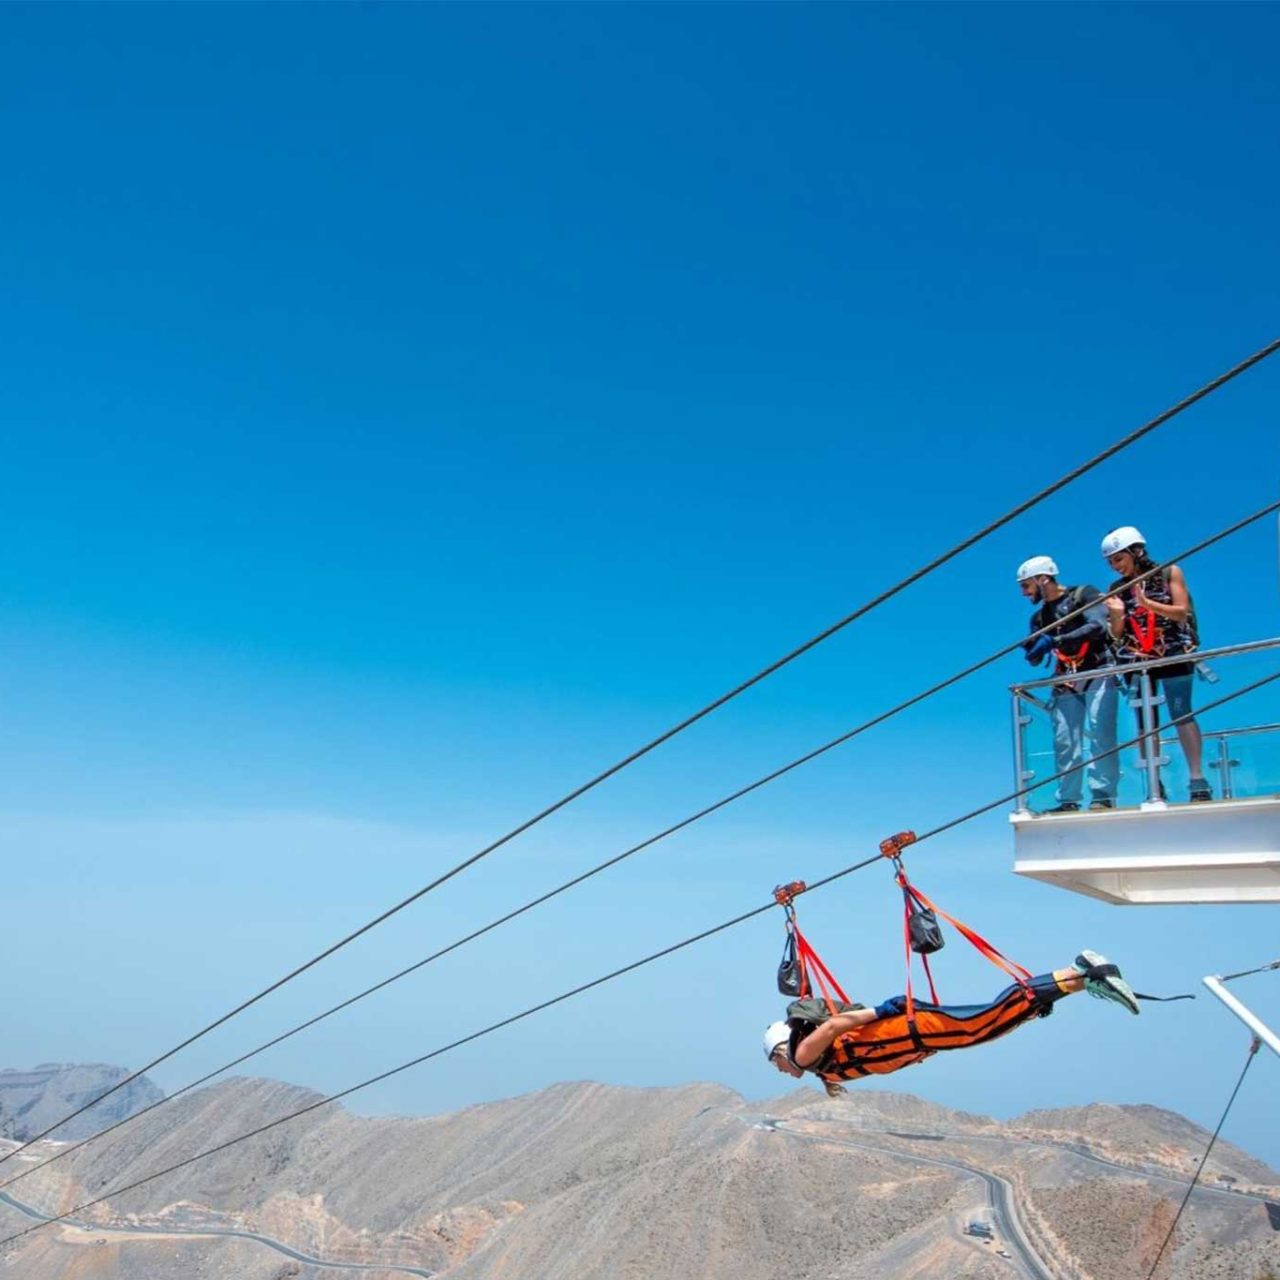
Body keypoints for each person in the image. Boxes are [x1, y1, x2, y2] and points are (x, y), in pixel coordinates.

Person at [763, 950, 1137, 1087]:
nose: (781, 1070)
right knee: (987, 1027)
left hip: (910, 1028)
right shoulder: (824, 1070)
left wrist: (881, 1010)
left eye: (775, 1061)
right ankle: (1073, 983)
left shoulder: (804, 1056)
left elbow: (833, 1025)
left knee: (983, 1024)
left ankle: (1080, 972)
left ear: (783, 1049)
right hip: (915, 1036)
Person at [1100, 526, 1211, 803]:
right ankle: (1154, 783)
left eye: (1118, 559)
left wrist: (1147, 604)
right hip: (1138, 660)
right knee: (1144, 723)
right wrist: (1116, 615)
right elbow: (1116, 634)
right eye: (1110, 562)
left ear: (1136, 552)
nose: (1115, 567)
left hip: (1173, 652)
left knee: (1181, 712)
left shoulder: (1169, 573)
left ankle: (1197, 779)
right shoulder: (1116, 590)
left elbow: (1181, 612)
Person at [1016, 555, 1118, 812]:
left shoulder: (1083, 595)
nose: (1024, 593)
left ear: (1043, 579)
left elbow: (1098, 626)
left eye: (1026, 586)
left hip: (1098, 669)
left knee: (1101, 733)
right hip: (1066, 678)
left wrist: (1055, 641)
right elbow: (1036, 660)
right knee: (1064, 740)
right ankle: (1068, 799)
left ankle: (1102, 795)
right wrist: (1033, 650)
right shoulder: (1039, 619)